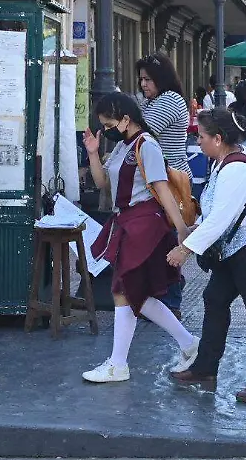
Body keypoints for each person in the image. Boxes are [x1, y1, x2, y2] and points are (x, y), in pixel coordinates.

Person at [166, 109, 246, 403]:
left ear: (218, 139)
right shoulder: (224, 163)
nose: (198, 141)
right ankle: (206, 367)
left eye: (202, 137)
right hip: (236, 246)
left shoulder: (236, 169)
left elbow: (221, 219)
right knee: (214, 299)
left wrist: (185, 249)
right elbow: (217, 216)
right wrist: (194, 229)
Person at [81, 93, 198, 384]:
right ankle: (188, 344)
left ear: (125, 119)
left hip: (144, 224)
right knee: (136, 294)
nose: (106, 128)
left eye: (108, 123)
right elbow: (102, 184)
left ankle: (119, 364)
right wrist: (93, 153)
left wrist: (183, 232)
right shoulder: (124, 146)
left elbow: (162, 189)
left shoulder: (147, 146)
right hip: (128, 222)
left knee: (125, 289)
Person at [136, 53, 193, 316]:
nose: (143, 84)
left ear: (162, 79)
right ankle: (163, 298)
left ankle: (171, 301)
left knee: (167, 242)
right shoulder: (156, 100)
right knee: (160, 241)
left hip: (170, 183)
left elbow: (141, 132)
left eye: (148, 79)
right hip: (160, 182)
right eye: (141, 80)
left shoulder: (169, 100)